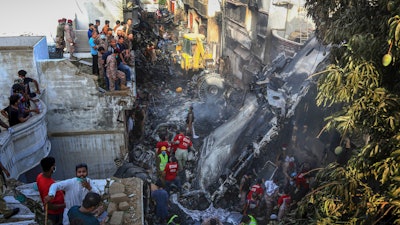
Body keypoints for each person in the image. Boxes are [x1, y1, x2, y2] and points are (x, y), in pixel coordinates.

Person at [37, 157, 66, 225]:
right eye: (54, 165)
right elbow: (50, 206)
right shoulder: (47, 186)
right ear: (52, 168)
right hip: (55, 213)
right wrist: (65, 205)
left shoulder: (40, 176)